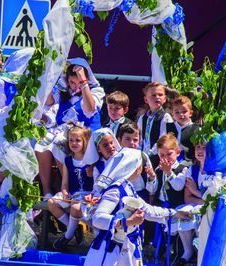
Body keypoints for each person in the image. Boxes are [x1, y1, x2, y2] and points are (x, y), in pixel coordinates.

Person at [84, 148, 189, 266]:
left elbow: (148, 210)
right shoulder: (115, 190)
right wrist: (127, 222)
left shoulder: (128, 188)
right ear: (136, 168)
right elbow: (97, 218)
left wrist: (175, 213)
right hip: (111, 249)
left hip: (128, 246)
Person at [36, 58, 105, 198]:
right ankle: (47, 191)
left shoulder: (96, 91)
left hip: (86, 134)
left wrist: (83, 82)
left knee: (58, 143)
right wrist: (50, 76)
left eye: (79, 82)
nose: (75, 87)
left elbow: (90, 109)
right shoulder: (64, 92)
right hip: (64, 132)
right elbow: (49, 102)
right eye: (72, 82)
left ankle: (71, 186)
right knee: (41, 144)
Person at [48, 124, 93, 251]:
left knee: (75, 206)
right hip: (73, 195)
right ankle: (73, 228)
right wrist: (64, 192)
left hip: (87, 195)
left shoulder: (91, 160)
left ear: (84, 141)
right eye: (71, 140)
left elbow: (96, 182)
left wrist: (91, 173)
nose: (74, 143)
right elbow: (65, 182)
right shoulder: (68, 160)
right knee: (51, 202)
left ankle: (67, 236)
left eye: (78, 140)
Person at [137, 82, 173, 168]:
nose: (157, 97)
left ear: (164, 98)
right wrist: (139, 153)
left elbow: (163, 139)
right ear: (146, 99)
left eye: (160, 95)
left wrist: (150, 154)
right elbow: (139, 138)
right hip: (142, 157)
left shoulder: (166, 117)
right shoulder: (142, 118)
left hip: (157, 158)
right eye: (153, 95)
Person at [166, 96, 199, 163]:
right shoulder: (167, 127)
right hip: (170, 163)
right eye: (177, 112)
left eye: (184, 111)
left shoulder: (196, 129)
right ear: (172, 114)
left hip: (189, 164)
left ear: (190, 113)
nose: (181, 114)